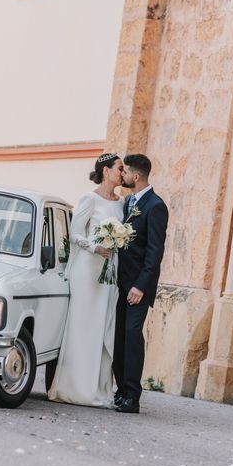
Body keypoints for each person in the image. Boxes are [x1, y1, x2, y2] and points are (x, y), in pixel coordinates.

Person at [48, 153, 124, 407]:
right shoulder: (88, 199)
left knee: (103, 326)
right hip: (88, 270)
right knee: (84, 327)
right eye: (119, 169)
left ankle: (100, 388)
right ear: (106, 171)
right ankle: (76, 387)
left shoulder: (122, 202)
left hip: (110, 271)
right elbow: (74, 234)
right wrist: (95, 247)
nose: (122, 173)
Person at [114, 154, 168, 413]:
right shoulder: (126, 203)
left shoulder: (156, 206)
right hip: (118, 282)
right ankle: (120, 389)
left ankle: (132, 396)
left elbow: (155, 251)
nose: (121, 175)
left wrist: (141, 286)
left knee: (133, 336)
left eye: (125, 172)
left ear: (136, 177)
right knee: (119, 335)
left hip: (137, 286)